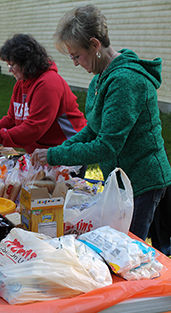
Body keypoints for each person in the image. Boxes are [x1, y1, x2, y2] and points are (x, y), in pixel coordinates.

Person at [31, 4, 171, 254]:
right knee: (115, 245)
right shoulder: (100, 77)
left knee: (128, 251)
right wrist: (59, 150)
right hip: (119, 177)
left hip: (141, 180)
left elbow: (107, 145)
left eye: (76, 55)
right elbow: (92, 130)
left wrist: (56, 155)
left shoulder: (126, 81)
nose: (75, 63)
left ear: (95, 45)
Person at [0, 33, 87, 157]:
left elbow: (34, 128)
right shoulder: (21, 83)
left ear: (26, 63)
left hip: (67, 151)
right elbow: (12, 119)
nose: (9, 70)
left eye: (12, 65)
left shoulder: (48, 84)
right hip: (43, 153)